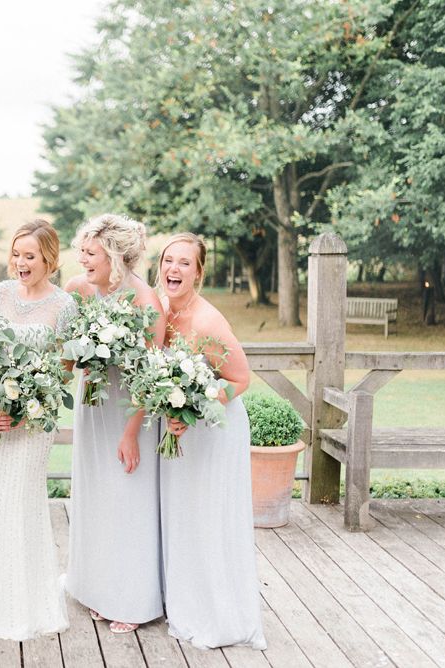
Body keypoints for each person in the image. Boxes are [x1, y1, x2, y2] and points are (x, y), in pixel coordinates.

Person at [157, 232, 266, 650]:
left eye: (184, 263)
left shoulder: (207, 321)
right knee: (183, 514)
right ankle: (184, 599)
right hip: (179, 430)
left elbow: (240, 379)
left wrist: (192, 407)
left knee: (208, 516)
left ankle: (218, 612)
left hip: (214, 430)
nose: (174, 268)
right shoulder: (161, 311)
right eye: (168, 260)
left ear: (198, 273)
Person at [65, 213, 166, 634]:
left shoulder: (145, 301)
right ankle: (98, 588)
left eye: (91, 253)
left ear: (115, 256)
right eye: (82, 252)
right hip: (92, 405)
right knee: (97, 497)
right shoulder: (78, 289)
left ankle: (132, 600)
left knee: (128, 500)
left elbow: (150, 376)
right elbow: (65, 352)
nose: (83, 260)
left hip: (128, 412)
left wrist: (131, 434)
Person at [0, 220, 73, 640]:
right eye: (16, 254)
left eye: (29, 256)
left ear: (48, 258)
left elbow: (64, 371)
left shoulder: (64, 305)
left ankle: (19, 607)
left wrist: (25, 411)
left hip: (32, 421)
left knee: (18, 504)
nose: (20, 262)